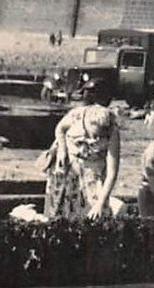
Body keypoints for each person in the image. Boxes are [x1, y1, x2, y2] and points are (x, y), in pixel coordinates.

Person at [44, 78, 122, 220]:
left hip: (94, 175)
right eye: (93, 132)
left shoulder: (112, 131)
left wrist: (100, 203)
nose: (94, 139)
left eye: (100, 136)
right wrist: (62, 149)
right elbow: (60, 129)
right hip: (69, 170)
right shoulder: (77, 115)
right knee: (60, 215)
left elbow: (112, 173)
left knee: (96, 216)